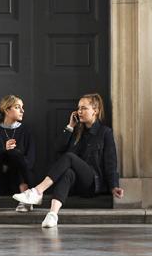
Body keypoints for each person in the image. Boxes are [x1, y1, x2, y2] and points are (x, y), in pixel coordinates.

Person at [13, 93, 124, 228]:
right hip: (76, 183)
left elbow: (110, 161)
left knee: (69, 156)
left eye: (84, 108)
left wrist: (114, 186)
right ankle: (52, 215)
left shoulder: (105, 132)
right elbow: (58, 147)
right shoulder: (77, 130)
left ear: (95, 111)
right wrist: (70, 126)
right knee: (68, 173)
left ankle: (37, 191)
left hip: (93, 182)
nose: (79, 111)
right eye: (78, 108)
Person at [0, 95, 36, 213]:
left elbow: (31, 160)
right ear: (7, 110)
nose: (22, 111)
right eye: (18, 107)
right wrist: (4, 149)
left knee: (16, 154)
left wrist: (13, 154)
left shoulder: (27, 131)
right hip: (0, 182)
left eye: (22, 107)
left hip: (21, 181)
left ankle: (26, 198)